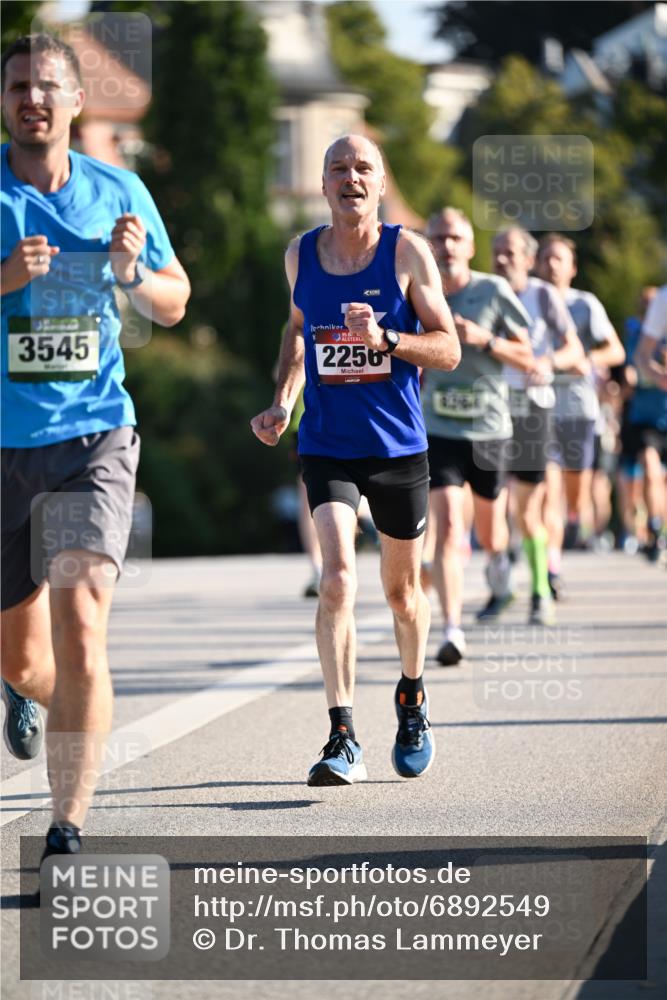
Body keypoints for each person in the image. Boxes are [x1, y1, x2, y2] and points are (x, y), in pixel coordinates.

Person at [1, 34, 190, 857]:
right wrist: (5, 278)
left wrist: (131, 275)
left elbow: (175, 300)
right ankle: (23, 691)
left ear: (77, 102)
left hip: (92, 436)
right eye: (16, 87)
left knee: (83, 625)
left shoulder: (119, 190)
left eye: (46, 86)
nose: (31, 98)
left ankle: (66, 826)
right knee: (27, 659)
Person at [251, 134, 460, 785]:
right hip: (327, 446)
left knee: (402, 595)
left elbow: (448, 348)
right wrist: (283, 401)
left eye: (362, 167)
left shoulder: (406, 250)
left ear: (378, 180)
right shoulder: (300, 255)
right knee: (338, 578)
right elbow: (295, 332)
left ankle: (411, 695)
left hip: (398, 447)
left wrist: (389, 339)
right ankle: (341, 736)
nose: (350, 177)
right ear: (322, 183)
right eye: (338, 168)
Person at [422, 208, 533, 667]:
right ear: (427, 245)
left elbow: (529, 357)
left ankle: (500, 565)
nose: (446, 246)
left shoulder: (494, 290)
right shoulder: (415, 291)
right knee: (447, 525)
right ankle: (452, 628)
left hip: (488, 430)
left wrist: (485, 340)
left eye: (455, 238)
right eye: (439, 238)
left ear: (470, 246)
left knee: (491, 531)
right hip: (438, 428)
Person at [492, 227, 583, 625]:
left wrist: (548, 363)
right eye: (497, 252)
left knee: (527, 509)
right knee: (491, 506)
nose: (502, 259)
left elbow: (574, 348)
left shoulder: (542, 295)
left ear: (529, 260)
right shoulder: (484, 292)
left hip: (532, 407)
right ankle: (500, 587)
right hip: (489, 408)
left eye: (510, 252)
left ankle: (540, 590)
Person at [536, 235, 625, 595]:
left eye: (559, 259)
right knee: (548, 490)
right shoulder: (527, 300)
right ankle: (550, 568)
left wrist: (586, 360)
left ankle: (575, 522)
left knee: (575, 496)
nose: (551, 265)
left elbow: (616, 351)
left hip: (578, 408)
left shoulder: (585, 304)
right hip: (538, 407)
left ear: (572, 268)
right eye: (545, 258)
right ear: (536, 263)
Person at [628, 284, 667, 562]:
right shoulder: (637, 335)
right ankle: (654, 527)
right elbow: (638, 361)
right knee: (652, 473)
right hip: (646, 417)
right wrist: (658, 375)